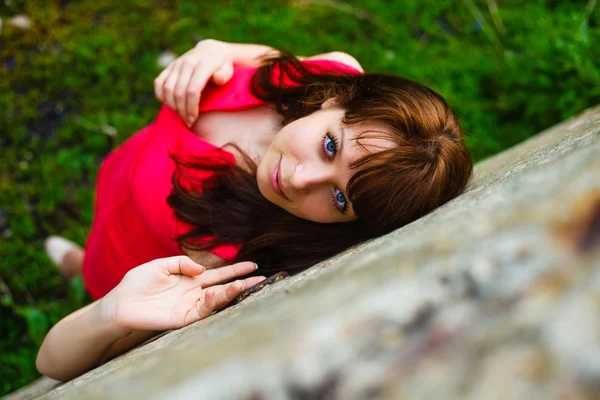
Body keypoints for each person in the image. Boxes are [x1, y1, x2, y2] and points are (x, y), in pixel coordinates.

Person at [37, 39, 473, 381]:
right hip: (126, 169)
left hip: (129, 252)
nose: (300, 181)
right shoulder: (328, 72)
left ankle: (80, 267)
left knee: (98, 265)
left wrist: (110, 310)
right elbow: (264, 60)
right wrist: (219, 50)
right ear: (335, 100)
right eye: (329, 146)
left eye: (340, 199)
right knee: (108, 191)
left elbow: (53, 363)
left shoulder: (229, 257)